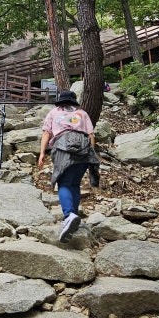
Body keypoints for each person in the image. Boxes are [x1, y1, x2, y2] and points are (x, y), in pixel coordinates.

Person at [37, 90, 100, 242]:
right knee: (75, 184)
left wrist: (42, 153)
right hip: (83, 150)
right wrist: (90, 154)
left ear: (60, 101)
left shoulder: (53, 113)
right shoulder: (82, 113)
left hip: (63, 147)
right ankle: (74, 217)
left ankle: (69, 215)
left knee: (63, 182)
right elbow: (91, 136)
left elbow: (47, 133)